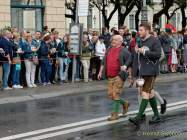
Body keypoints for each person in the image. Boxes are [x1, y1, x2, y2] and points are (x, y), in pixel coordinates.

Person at [129, 23, 161, 125]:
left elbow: (158, 55)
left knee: (145, 93)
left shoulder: (154, 40)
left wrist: (144, 52)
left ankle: (139, 117)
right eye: (139, 30)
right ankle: (157, 115)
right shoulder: (138, 40)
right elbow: (135, 58)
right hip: (141, 72)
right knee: (148, 93)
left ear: (147, 30)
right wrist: (133, 75)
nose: (139, 32)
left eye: (141, 30)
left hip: (151, 71)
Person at [98, 35, 132, 121]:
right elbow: (103, 61)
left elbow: (130, 58)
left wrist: (125, 66)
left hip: (119, 75)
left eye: (115, 40)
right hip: (110, 75)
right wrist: (100, 72)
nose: (113, 41)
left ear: (120, 42)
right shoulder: (109, 49)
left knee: (116, 94)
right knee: (111, 95)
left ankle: (115, 114)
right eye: (112, 39)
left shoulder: (123, 50)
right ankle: (125, 104)